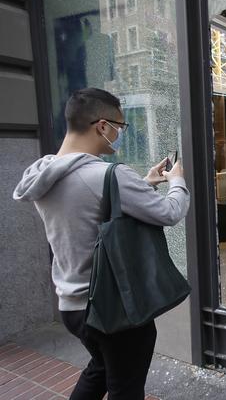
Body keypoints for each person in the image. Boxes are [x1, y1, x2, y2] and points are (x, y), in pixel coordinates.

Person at [13, 88, 190, 400]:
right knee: (126, 389)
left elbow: (86, 204)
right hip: (112, 308)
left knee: (101, 370)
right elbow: (171, 212)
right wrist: (177, 180)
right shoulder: (110, 174)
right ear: (102, 126)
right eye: (120, 127)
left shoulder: (45, 173)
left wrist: (144, 183)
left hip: (72, 304)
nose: (120, 134)